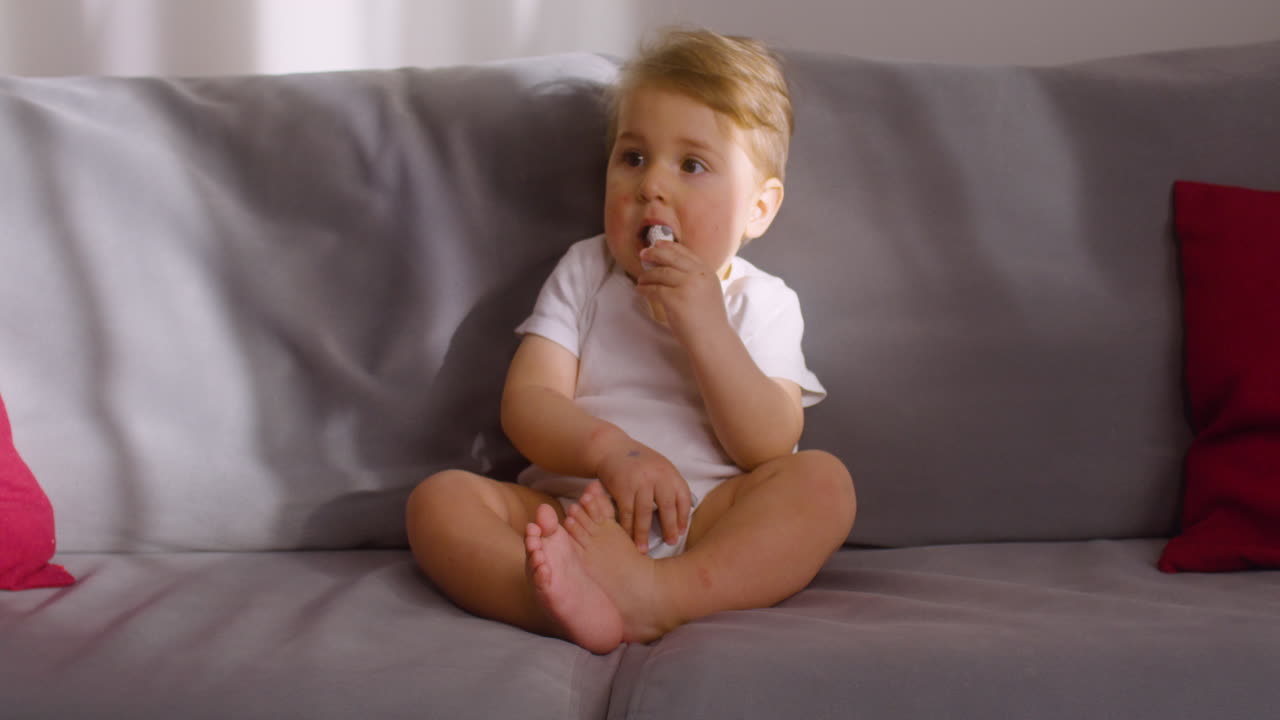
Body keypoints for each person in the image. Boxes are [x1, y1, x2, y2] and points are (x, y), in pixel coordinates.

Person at [406, 28, 856, 654]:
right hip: (571, 513)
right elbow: (528, 403)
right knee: (439, 500)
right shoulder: (587, 271)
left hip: (706, 520)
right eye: (634, 158)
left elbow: (769, 442)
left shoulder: (762, 301)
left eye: (692, 165)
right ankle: (553, 600)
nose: (651, 186)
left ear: (758, 208)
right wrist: (612, 452)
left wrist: (706, 326)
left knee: (823, 484)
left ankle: (661, 597)